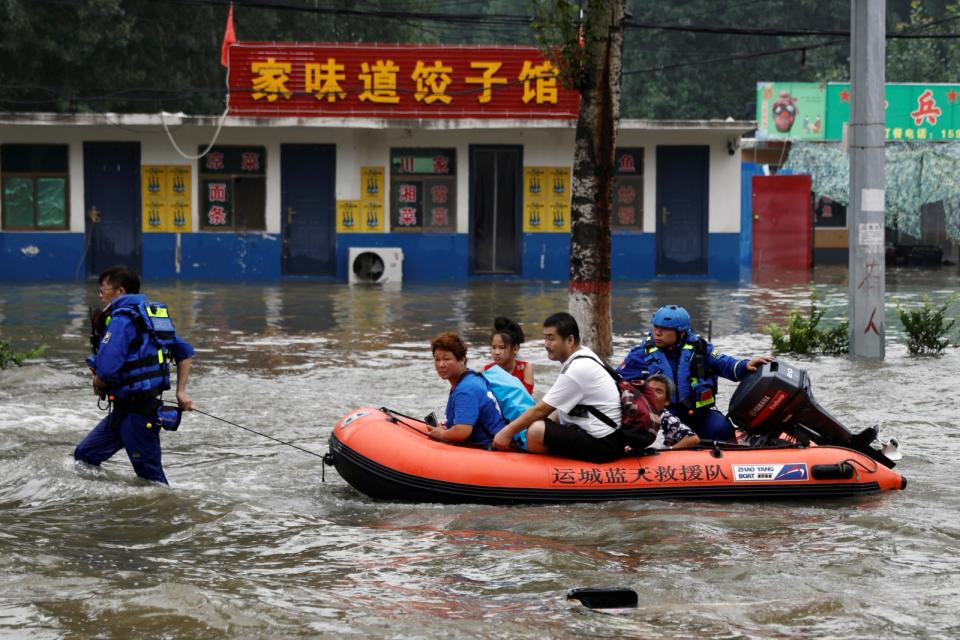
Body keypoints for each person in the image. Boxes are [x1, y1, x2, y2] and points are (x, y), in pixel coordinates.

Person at [73, 266, 195, 485]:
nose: (101, 296)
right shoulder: (152, 315)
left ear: (120, 291)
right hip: (124, 411)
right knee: (84, 457)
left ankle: (165, 515)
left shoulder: (121, 320)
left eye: (103, 290)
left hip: (138, 415)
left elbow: (108, 370)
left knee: (152, 480)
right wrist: (181, 392)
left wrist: (97, 381)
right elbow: (185, 351)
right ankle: (118, 513)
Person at [616, 304, 770, 442]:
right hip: (660, 416)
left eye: (664, 329)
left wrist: (745, 365)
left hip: (696, 414)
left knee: (722, 428)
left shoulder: (700, 349)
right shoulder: (639, 354)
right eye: (655, 327)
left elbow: (725, 364)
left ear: (681, 333)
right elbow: (618, 382)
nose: (657, 333)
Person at [492, 312, 624, 463]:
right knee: (543, 420)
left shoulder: (578, 368)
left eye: (551, 338)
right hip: (605, 435)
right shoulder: (583, 356)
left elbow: (541, 410)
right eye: (545, 338)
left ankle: (545, 470)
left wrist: (506, 433)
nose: (546, 344)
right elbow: (556, 407)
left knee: (536, 430)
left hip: (603, 443)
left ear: (569, 340)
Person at [428, 332, 506, 448]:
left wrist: (442, 434)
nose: (441, 365)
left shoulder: (466, 390)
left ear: (462, 360)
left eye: (446, 359)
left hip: (491, 449)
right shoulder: (471, 378)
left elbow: (462, 431)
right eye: (437, 359)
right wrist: (449, 428)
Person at [644, 373, 699, 450]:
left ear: (667, 401)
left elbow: (693, 438)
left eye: (658, 391)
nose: (652, 394)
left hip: (656, 457)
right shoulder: (632, 412)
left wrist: (670, 449)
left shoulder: (666, 419)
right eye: (649, 390)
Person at [484, 316, 535, 394]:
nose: (497, 352)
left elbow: (526, 397)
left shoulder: (526, 369)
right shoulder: (486, 370)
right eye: (494, 347)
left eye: (502, 347)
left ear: (515, 349)